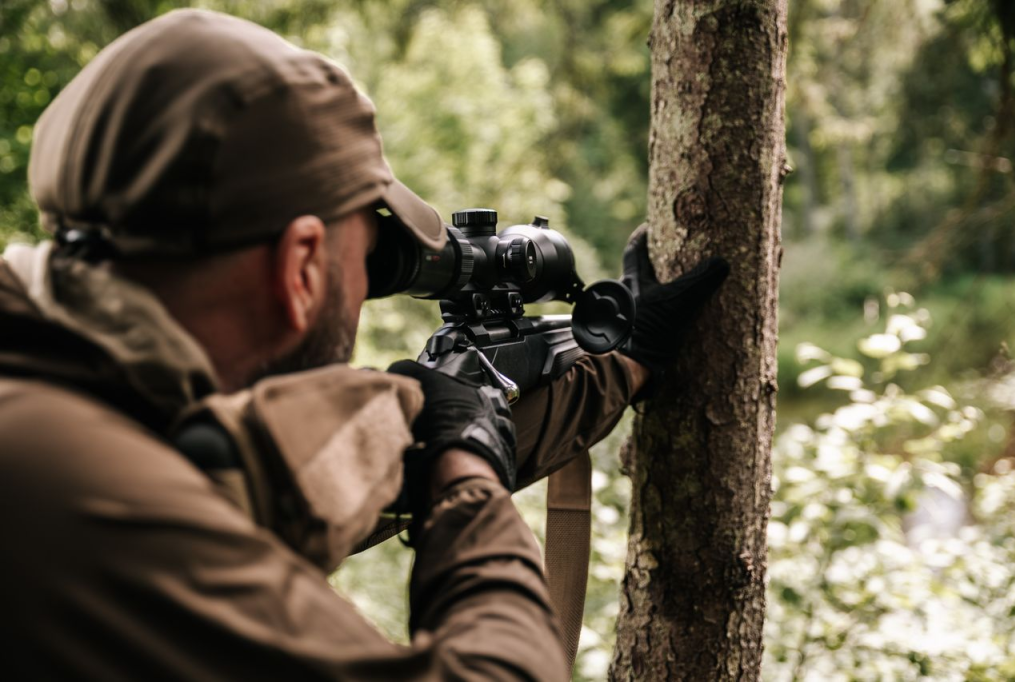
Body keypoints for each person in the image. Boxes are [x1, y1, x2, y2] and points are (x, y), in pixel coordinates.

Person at [0, 9, 727, 681]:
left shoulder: (81, 392)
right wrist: (472, 483)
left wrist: (625, 364)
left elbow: (369, 458)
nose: (366, 285)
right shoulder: (95, 505)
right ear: (301, 265)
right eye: (374, 257)